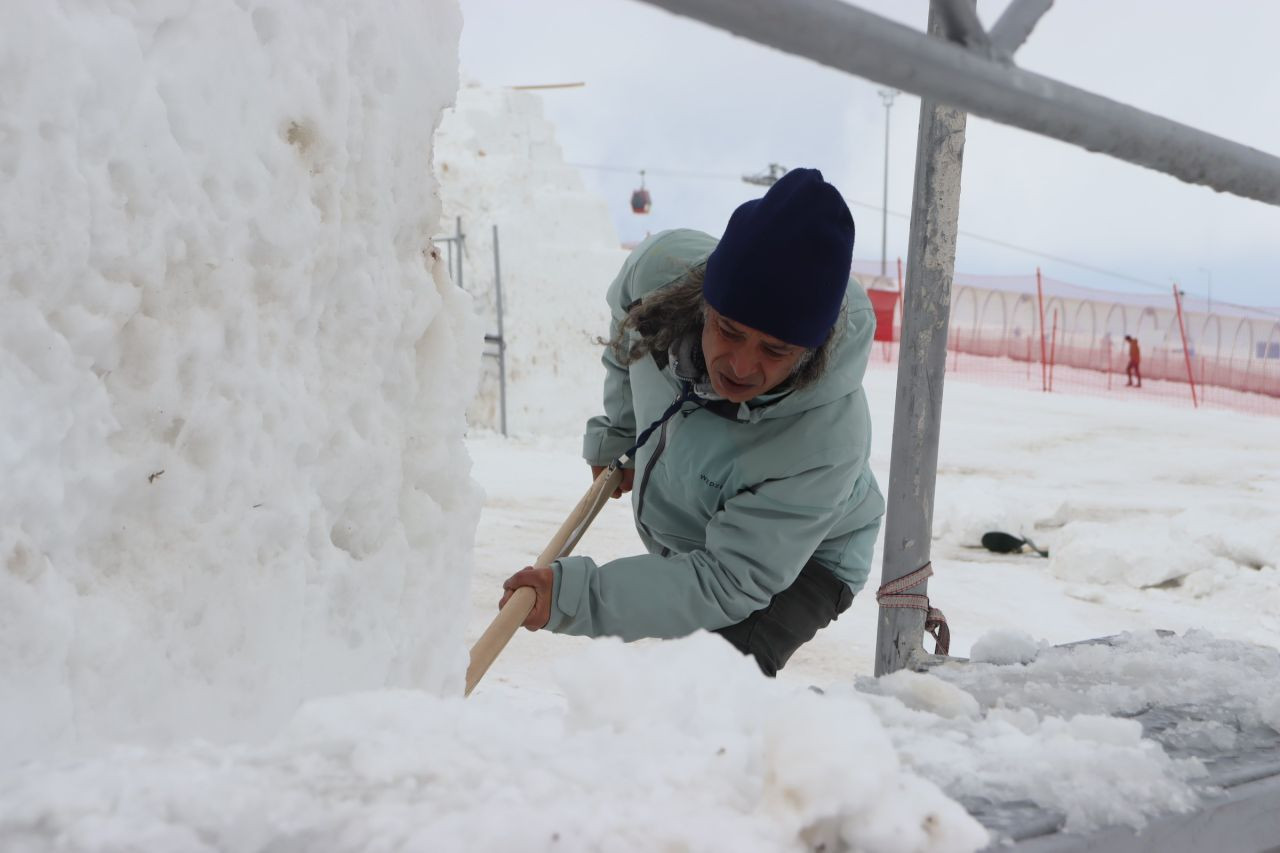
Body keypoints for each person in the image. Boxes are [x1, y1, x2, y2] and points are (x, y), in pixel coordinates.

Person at [498, 168, 885, 677]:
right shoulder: (658, 276)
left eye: (775, 350)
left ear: (810, 352)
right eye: (729, 330)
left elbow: (726, 580)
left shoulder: (825, 440)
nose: (741, 366)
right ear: (704, 303)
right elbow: (627, 336)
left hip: (805, 556)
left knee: (706, 684)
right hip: (696, 524)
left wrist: (575, 596)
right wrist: (621, 433)